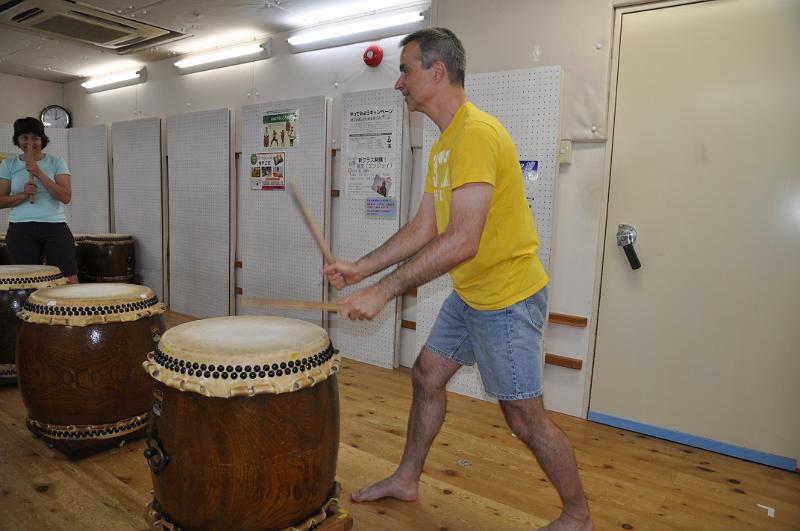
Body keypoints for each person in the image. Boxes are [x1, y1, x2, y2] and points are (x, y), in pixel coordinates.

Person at [321, 29, 592, 530]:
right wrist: (362, 267)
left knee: (523, 419)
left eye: (405, 70)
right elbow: (425, 228)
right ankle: (407, 477)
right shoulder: (445, 144)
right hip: (472, 294)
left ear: (437, 72)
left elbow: (463, 239)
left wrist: (382, 293)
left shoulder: (476, 135)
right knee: (427, 376)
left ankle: (577, 514)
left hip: (507, 298)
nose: (399, 83)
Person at [0, 117, 78, 283]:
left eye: (34, 138)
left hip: (54, 226)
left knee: (68, 277)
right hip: (20, 228)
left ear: (42, 140)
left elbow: (65, 197)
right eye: (24, 138)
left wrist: (39, 173)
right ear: (17, 140)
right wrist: (23, 195)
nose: (30, 142)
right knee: (28, 281)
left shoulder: (56, 162)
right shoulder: (9, 164)